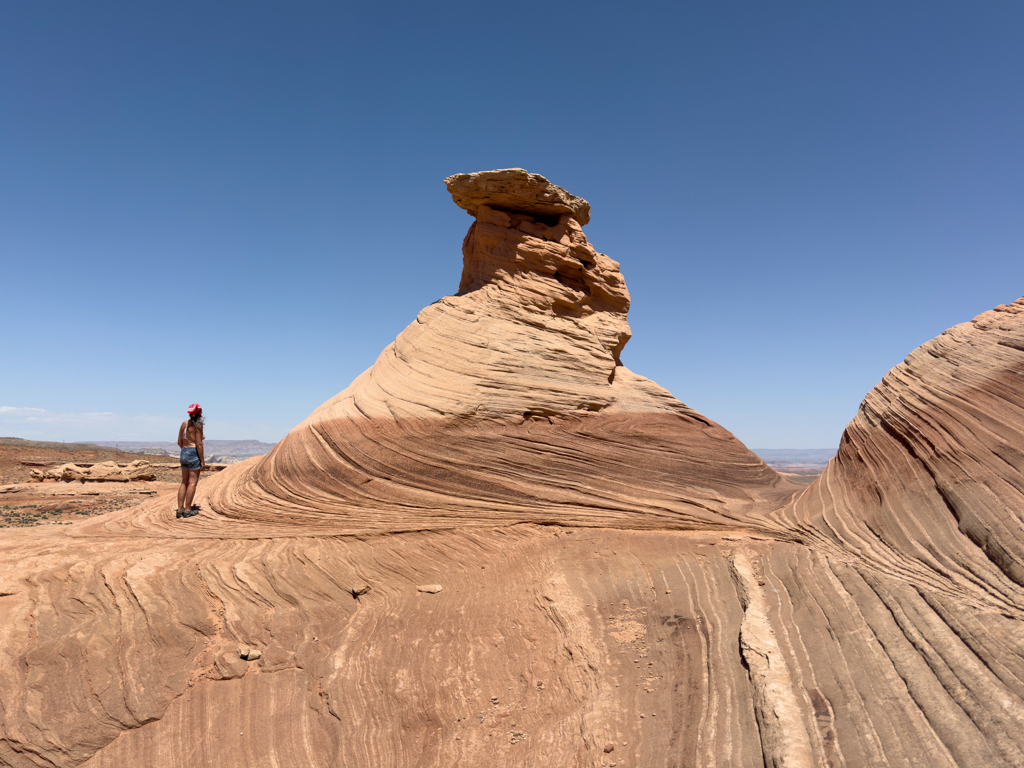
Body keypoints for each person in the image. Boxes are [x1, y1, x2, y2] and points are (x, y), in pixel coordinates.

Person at [176, 403, 207, 519]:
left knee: (184, 482)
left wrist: (186, 450)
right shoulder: (198, 425)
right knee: (192, 483)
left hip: (183, 452)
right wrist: (202, 461)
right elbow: (199, 444)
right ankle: (187, 511)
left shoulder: (184, 424)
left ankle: (179, 510)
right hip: (193, 452)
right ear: (199, 413)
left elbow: (179, 441)